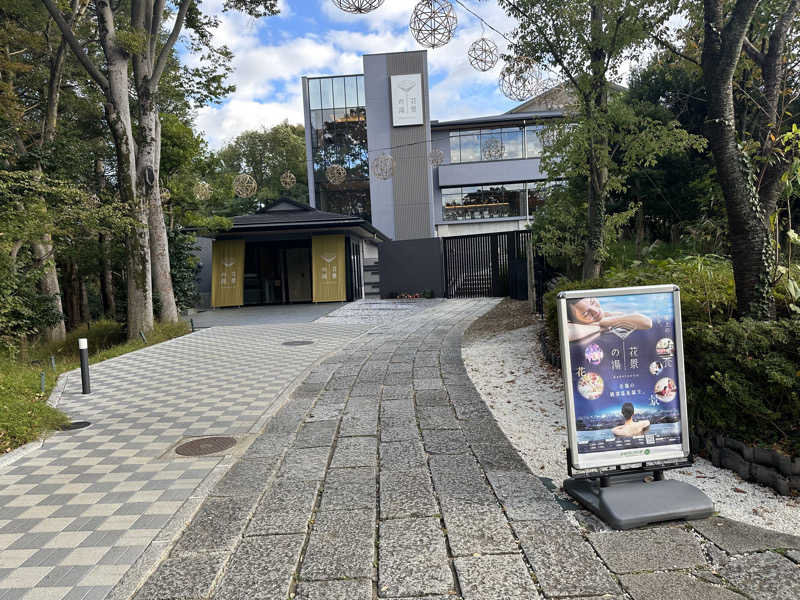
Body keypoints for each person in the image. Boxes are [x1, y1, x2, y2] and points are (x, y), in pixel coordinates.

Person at [565, 297, 653, 342]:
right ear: (572, 321)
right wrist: (601, 325)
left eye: (592, 302)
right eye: (586, 314)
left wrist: (605, 322)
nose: (596, 311)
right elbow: (567, 334)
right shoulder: (572, 325)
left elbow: (647, 322)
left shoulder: (610, 314)